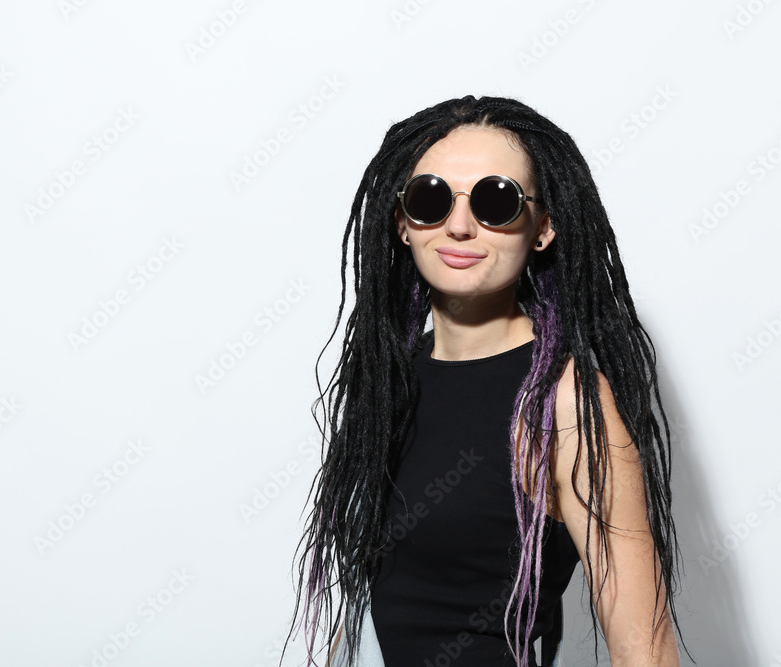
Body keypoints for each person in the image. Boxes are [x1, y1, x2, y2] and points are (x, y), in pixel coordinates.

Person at [281, 95, 691, 667]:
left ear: (543, 227)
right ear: (402, 222)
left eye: (497, 202)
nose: (458, 225)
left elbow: (644, 652)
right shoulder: (389, 381)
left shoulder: (565, 399)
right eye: (430, 199)